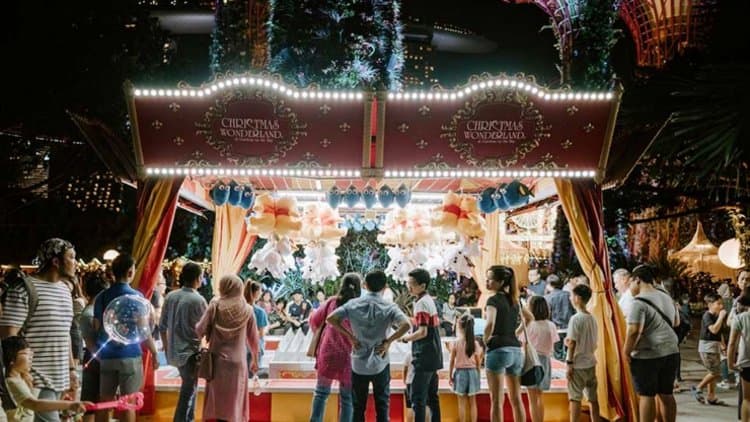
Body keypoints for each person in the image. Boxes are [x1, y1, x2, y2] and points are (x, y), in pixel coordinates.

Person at [0, 238, 79, 422]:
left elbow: (65, 333)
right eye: (71, 257)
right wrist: (21, 374)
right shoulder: (24, 289)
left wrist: (71, 370)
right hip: (33, 380)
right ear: (56, 261)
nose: (75, 262)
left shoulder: (65, 290)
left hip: (58, 379)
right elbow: (8, 336)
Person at [327, 270, 411, 422]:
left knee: (358, 407)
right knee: (382, 406)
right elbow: (406, 325)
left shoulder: (353, 304)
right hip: (381, 361)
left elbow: (331, 319)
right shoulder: (389, 307)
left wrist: (351, 337)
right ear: (385, 287)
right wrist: (388, 341)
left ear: (365, 285)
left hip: (358, 363)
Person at [92, 253, 159, 422]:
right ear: (130, 272)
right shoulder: (137, 297)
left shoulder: (102, 296)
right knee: (128, 402)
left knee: (105, 401)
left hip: (107, 356)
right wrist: (154, 352)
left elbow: (96, 326)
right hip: (130, 356)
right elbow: (144, 329)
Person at [196, 275, 260, 422]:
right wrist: (255, 361)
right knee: (234, 402)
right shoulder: (248, 310)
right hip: (238, 363)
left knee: (219, 401)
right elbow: (254, 340)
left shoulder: (215, 305)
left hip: (217, 362)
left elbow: (200, 329)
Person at [623, 264, 679, 422]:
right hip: (671, 351)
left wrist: (626, 352)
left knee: (647, 395)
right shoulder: (666, 296)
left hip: (648, 355)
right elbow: (676, 321)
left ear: (637, 280)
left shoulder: (638, 302)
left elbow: (634, 331)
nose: (630, 288)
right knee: (667, 394)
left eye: (630, 284)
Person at [308, 274, 362, 422]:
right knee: (347, 397)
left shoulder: (332, 302)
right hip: (350, 355)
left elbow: (314, 320)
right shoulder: (361, 305)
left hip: (329, 352)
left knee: (321, 392)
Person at [159, 262, 207, 422]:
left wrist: (167, 348)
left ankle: (189, 419)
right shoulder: (198, 300)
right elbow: (206, 328)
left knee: (190, 388)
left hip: (174, 352)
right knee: (188, 392)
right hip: (191, 353)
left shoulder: (171, 296)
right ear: (198, 278)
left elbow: (162, 326)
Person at [2, 337, 91, 422]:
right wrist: (70, 405)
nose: (30, 358)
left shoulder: (22, 379)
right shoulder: (13, 382)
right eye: (25, 354)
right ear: (11, 360)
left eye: (31, 354)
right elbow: (35, 404)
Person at [483, 265, 525, 422]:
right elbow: (529, 318)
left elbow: (489, 324)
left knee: (496, 400)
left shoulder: (493, 300)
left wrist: (485, 340)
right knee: (516, 398)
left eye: (490, 279)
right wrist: (515, 333)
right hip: (515, 350)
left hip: (498, 350)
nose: (487, 282)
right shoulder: (514, 299)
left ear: (500, 282)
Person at [400, 269, 443, 422]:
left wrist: (406, 338)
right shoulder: (428, 300)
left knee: (418, 398)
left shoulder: (421, 303)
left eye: (412, 284)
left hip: (423, 356)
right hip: (434, 355)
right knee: (432, 397)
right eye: (408, 284)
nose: (409, 287)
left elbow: (423, 332)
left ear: (422, 285)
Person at [566, 285, 600, 422]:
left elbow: (572, 343)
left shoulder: (576, 319)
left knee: (575, 398)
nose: (570, 298)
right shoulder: (592, 318)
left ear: (578, 299)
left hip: (578, 364)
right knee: (593, 399)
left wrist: (569, 363)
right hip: (591, 362)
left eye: (571, 295)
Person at [78, 272, 108, 422]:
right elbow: (91, 345)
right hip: (95, 359)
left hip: (94, 359)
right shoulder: (90, 314)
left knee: (93, 400)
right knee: (93, 401)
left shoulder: (91, 312)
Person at [524, 296, 559, 422]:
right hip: (545, 361)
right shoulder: (551, 325)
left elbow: (523, 344)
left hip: (531, 361)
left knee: (532, 398)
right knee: (540, 396)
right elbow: (553, 346)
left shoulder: (529, 325)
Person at [692, 293, 728, 405]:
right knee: (715, 372)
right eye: (718, 304)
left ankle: (711, 397)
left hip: (714, 347)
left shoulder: (717, 316)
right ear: (710, 304)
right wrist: (721, 317)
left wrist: (723, 345)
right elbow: (713, 330)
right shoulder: (707, 315)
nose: (721, 306)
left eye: (722, 303)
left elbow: (719, 333)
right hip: (707, 347)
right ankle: (698, 388)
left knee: (712, 372)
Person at [449, 313, 482, 422]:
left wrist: (450, 376)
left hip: (460, 374)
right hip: (472, 373)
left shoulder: (456, 342)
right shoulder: (475, 343)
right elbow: (478, 362)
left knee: (461, 403)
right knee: (473, 403)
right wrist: (478, 374)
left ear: (460, 326)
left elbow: (452, 361)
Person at [727, 286, 750, 422]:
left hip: (746, 363)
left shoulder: (740, 318)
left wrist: (730, 363)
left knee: (747, 399)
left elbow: (731, 343)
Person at [545, 274, 575, 361]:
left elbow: (548, 315)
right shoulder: (569, 295)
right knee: (569, 354)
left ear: (549, 285)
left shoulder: (548, 297)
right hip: (569, 327)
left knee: (557, 355)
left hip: (556, 329)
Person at [244, 280, 269, 378]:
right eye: (260, 291)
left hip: (241, 346)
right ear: (256, 293)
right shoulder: (259, 311)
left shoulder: (240, 308)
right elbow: (261, 333)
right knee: (253, 374)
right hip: (255, 346)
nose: (261, 293)